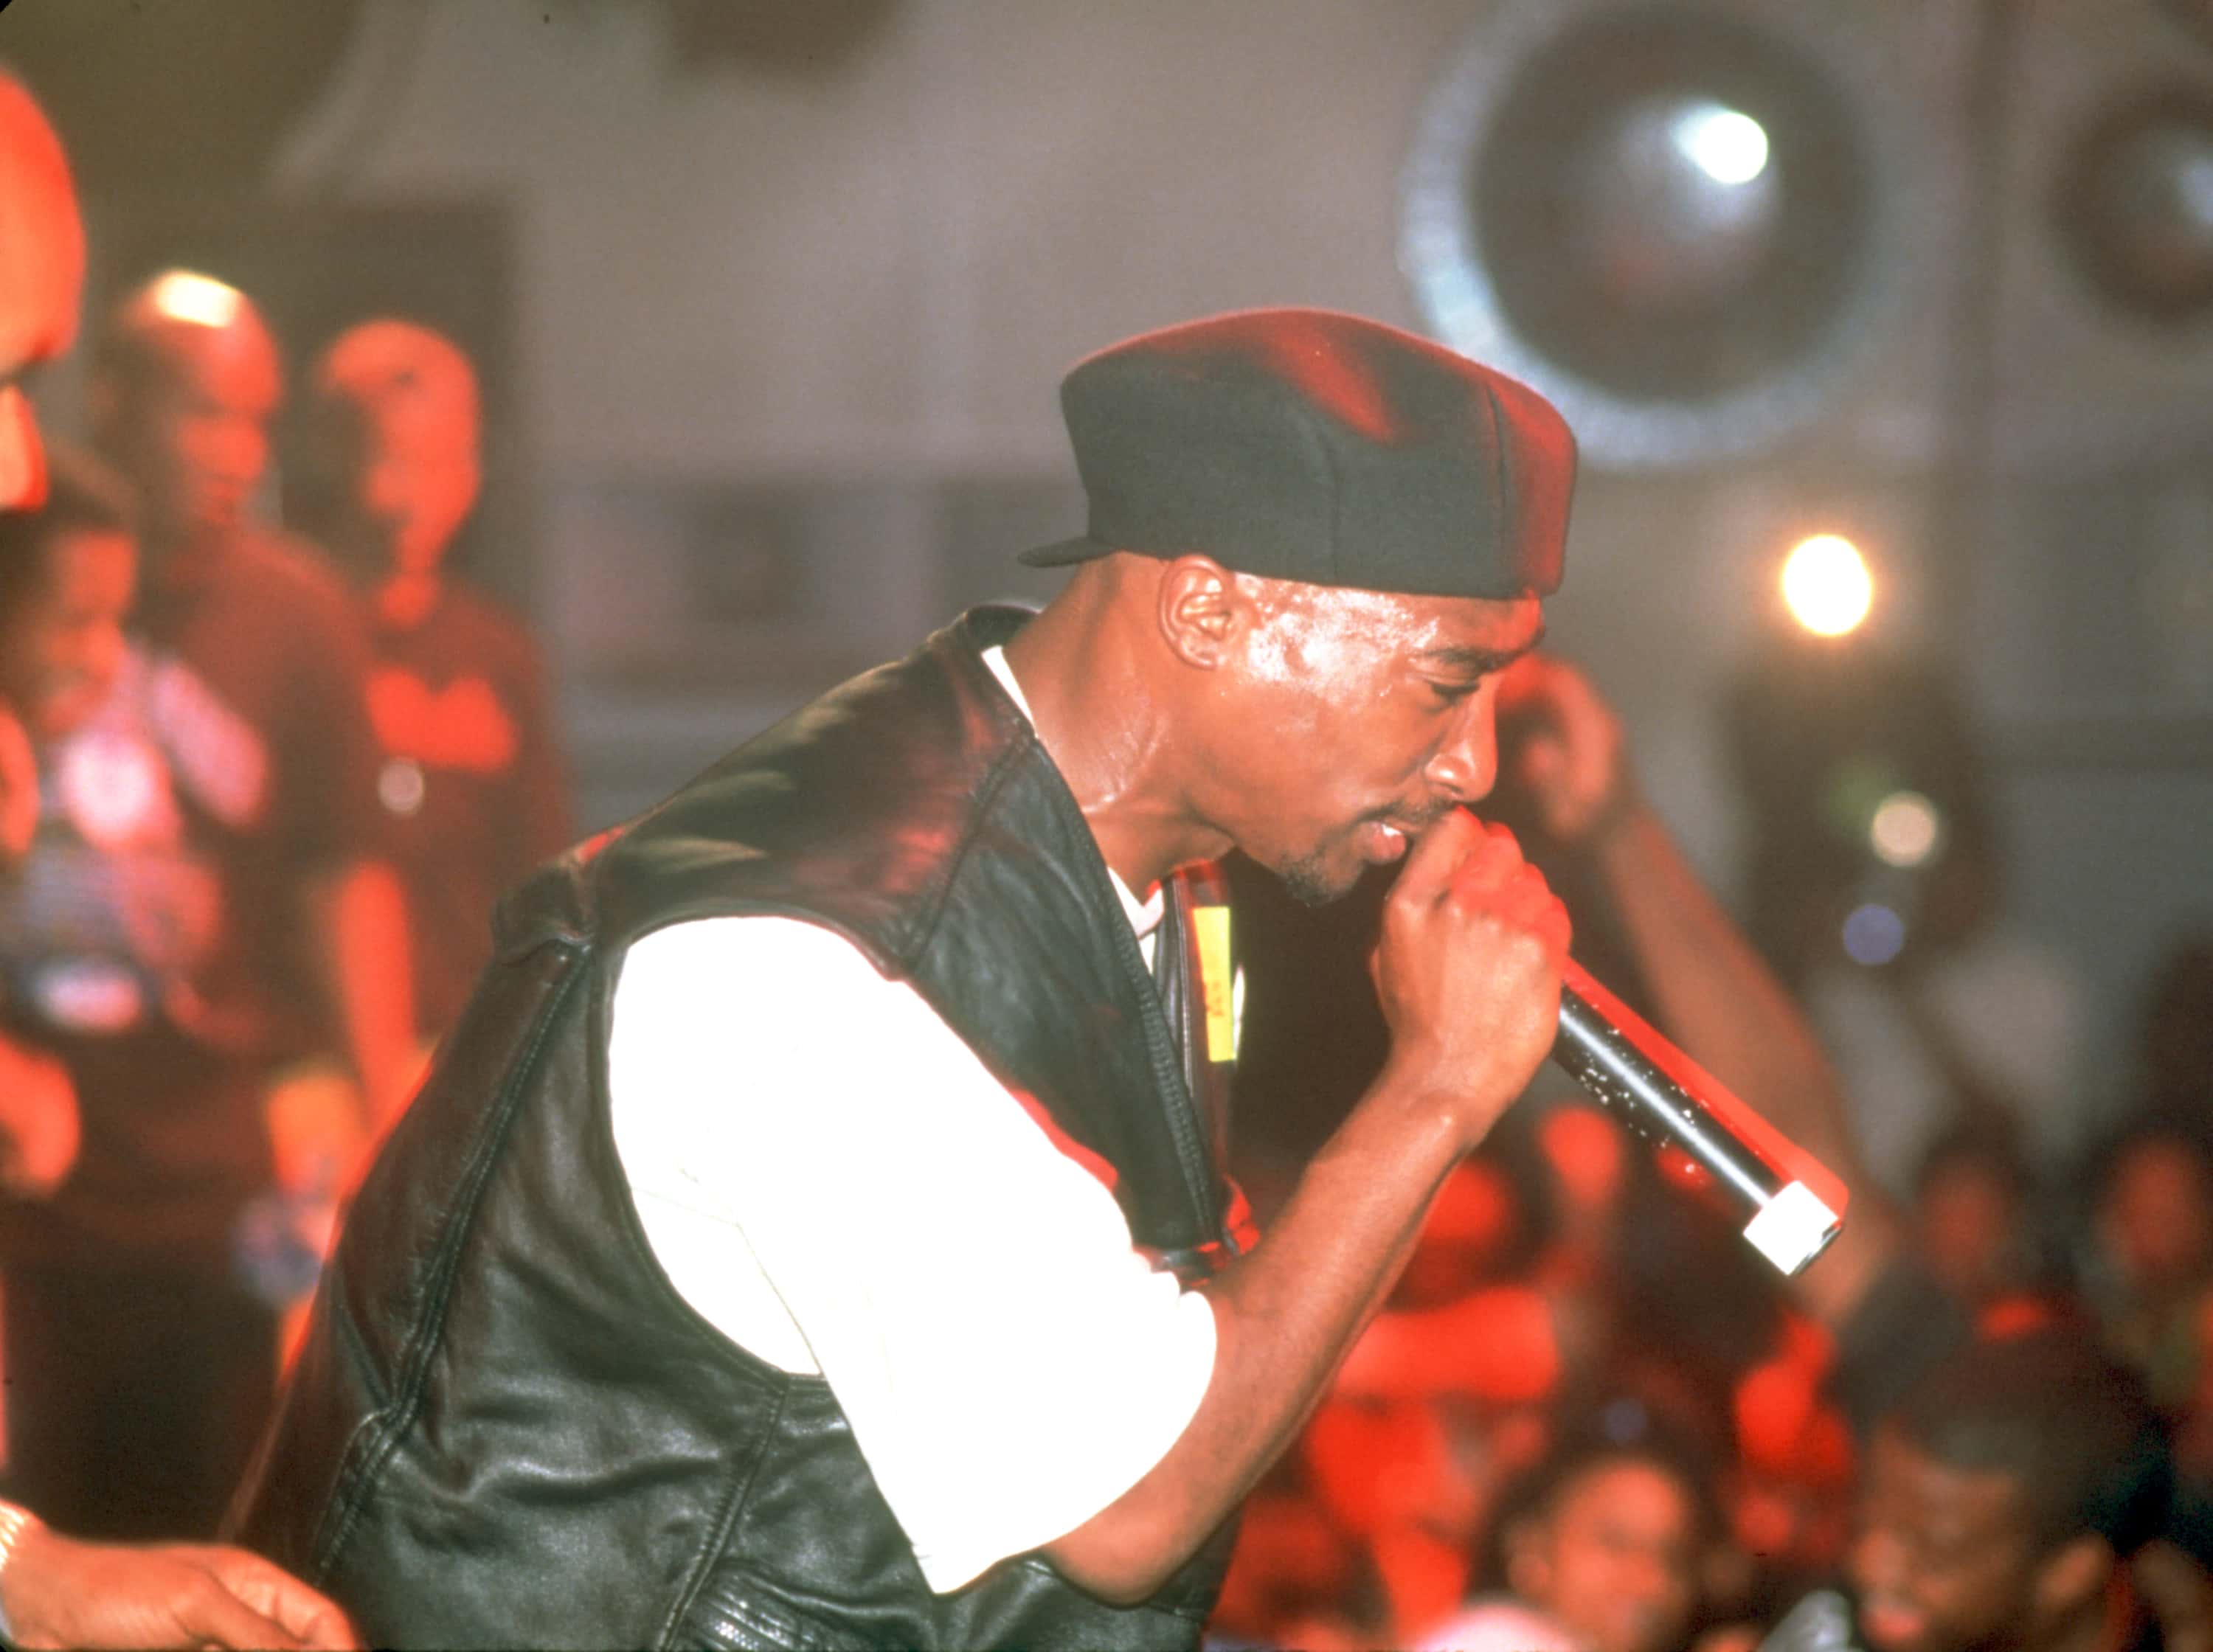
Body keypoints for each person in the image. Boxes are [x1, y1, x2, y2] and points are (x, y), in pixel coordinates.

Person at [235, 307, 1580, 1647]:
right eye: (1445, 680)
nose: (1475, 760)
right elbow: (1134, 1505)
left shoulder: (1157, 877)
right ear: (1207, 609)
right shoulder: (810, 968)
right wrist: (1438, 1091)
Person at [0, 63, 355, 1650]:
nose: (17, 464)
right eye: (5, 370)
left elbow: (339, 884)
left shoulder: (296, 617)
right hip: (44, 1229)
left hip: (205, 1201)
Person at [302, 319, 569, 1045]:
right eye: (388, 460)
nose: (411, 497)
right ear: (332, 458)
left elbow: (538, 874)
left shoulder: (500, 656)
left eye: (440, 462)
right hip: (310, 1057)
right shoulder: (295, 631)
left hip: (467, 1043)